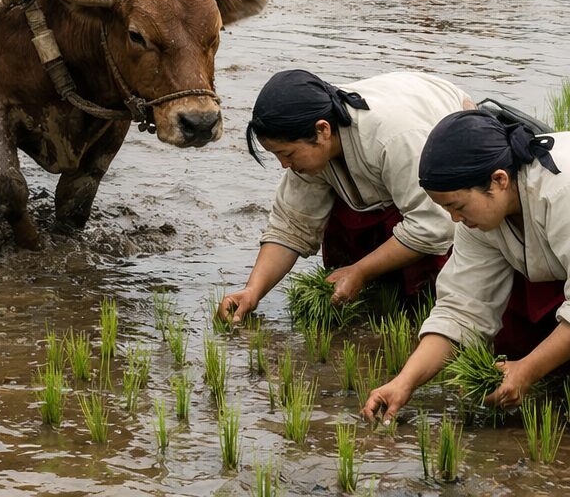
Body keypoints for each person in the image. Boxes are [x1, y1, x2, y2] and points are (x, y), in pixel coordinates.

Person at [218, 70, 474, 326]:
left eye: (287, 154)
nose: (284, 165)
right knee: (347, 231)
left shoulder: (393, 138)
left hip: (445, 123)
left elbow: (435, 226)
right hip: (398, 116)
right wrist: (253, 291)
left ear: (322, 131)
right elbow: (292, 227)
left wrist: (360, 271)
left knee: (425, 290)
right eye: (276, 155)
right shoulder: (309, 140)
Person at [363, 110, 570, 423]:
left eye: (457, 206)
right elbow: (462, 310)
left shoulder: (560, 194)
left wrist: (527, 369)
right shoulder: (482, 218)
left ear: (499, 180)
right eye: (446, 208)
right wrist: (404, 383)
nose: (453, 219)